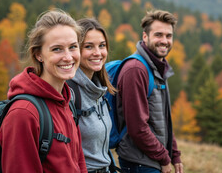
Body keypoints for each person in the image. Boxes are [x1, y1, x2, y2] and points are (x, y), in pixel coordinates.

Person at [0, 9, 87, 173]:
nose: (68, 57)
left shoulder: (67, 102)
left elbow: (79, 162)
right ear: (39, 55)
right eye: (57, 49)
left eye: (73, 47)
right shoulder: (24, 113)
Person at [116, 9, 183, 173]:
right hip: (139, 162)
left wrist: (175, 155)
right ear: (145, 37)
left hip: (152, 159)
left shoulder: (159, 68)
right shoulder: (136, 70)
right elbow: (137, 127)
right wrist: (164, 158)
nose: (165, 41)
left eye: (169, 36)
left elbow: (164, 119)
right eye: (158, 35)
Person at [68, 18, 116, 173]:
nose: (98, 53)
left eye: (102, 46)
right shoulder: (69, 92)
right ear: (75, 50)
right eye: (89, 46)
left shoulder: (98, 89)